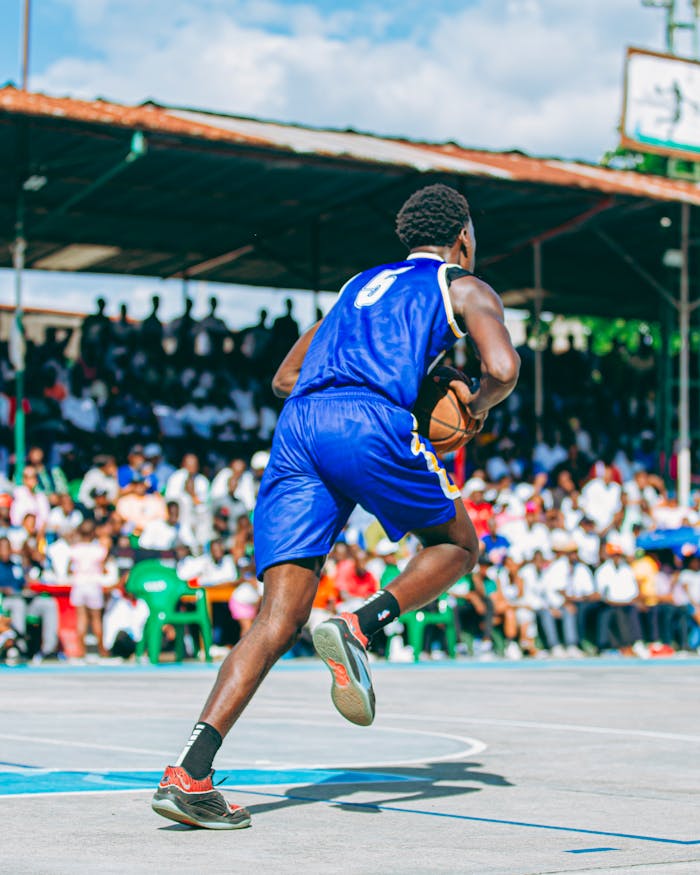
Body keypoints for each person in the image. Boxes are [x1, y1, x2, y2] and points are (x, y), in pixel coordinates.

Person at [151, 183, 520, 828]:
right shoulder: (463, 285)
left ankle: (190, 772)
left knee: (276, 618)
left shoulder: (355, 289)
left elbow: (284, 378)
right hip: (366, 421)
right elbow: (504, 366)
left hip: (298, 429)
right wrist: (471, 403)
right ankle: (360, 625)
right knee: (459, 545)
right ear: (463, 235)